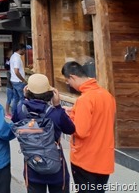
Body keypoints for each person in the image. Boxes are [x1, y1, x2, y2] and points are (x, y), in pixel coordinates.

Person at [12, 73, 75, 193]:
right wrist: (58, 106)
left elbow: (15, 120)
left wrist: (23, 98)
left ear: (28, 91)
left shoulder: (21, 109)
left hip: (32, 163)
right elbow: (70, 129)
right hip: (56, 164)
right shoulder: (55, 113)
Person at [61, 61, 116, 190]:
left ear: (73, 77)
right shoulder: (107, 95)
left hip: (85, 160)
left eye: (68, 81)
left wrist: (68, 117)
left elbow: (81, 131)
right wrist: (74, 111)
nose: (69, 85)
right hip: (104, 160)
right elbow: (105, 121)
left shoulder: (85, 99)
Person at [10, 44, 28, 111]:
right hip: (18, 81)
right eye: (24, 50)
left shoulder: (13, 56)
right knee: (22, 98)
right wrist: (23, 80)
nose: (25, 51)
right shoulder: (17, 58)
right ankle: (21, 113)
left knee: (16, 98)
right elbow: (16, 71)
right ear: (21, 49)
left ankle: (14, 113)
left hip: (13, 80)